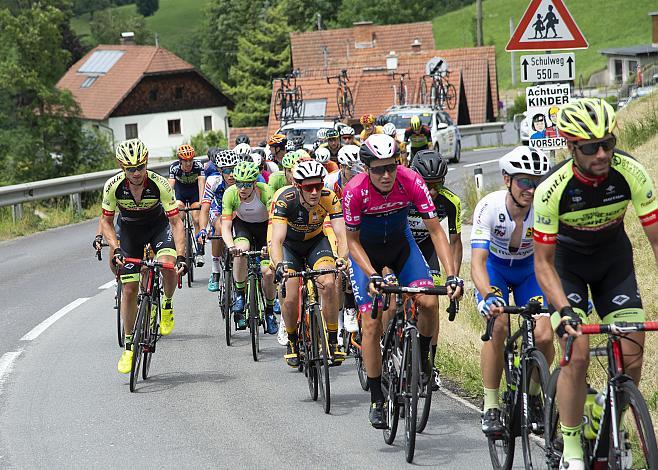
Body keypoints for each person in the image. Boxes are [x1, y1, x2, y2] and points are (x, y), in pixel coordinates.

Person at [533, 98, 658, 470]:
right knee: (578, 350)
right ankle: (571, 447)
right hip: (565, 269)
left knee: (633, 350)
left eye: (608, 143)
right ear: (571, 148)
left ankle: (610, 420)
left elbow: (655, 241)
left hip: (612, 263)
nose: (602, 153)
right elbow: (542, 263)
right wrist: (564, 310)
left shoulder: (631, 173)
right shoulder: (552, 188)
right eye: (591, 147)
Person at [342, 134, 463, 428]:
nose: (386, 175)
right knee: (370, 323)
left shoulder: (410, 181)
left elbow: (437, 232)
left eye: (391, 167)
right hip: (366, 254)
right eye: (379, 169)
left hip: (401, 248)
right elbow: (352, 243)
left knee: (430, 302)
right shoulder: (354, 191)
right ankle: (376, 399)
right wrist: (371, 274)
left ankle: (421, 359)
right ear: (366, 168)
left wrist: (451, 275)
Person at [470, 146, 555, 435]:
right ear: (507, 179)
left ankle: (532, 393)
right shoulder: (489, 207)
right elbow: (478, 263)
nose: (531, 189)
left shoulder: (545, 208)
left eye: (536, 181)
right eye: (524, 181)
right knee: (499, 326)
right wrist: (488, 295)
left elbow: (560, 256)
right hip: (496, 270)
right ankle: (491, 405)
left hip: (530, 271)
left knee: (544, 334)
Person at [100, 139, 187, 373]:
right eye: (131, 169)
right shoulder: (113, 186)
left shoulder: (159, 184)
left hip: (158, 227)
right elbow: (106, 222)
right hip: (129, 232)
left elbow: (176, 222)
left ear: (146, 163)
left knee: (168, 265)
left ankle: (167, 304)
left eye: (140, 167)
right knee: (129, 289)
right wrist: (115, 247)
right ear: (122, 167)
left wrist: (181, 255)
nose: (136, 173)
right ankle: (129, 347)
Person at [269, 160, 349, 366]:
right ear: (297, 186)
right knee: (290, 294)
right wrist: (279, 265)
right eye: (308, 187)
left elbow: (342, 235)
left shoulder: (329, 197)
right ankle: (293, 339)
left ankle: (332, 339)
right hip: (290, 246)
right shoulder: (285, 199)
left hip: (316, 242)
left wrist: (342, 258)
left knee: (329, 283)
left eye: (318, 186)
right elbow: (276, 240)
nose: (314, 192)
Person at [409, 149, 463, 392]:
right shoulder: (403, 196)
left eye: (437, 185)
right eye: (426, 185)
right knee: (393, 297)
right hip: (404, 245)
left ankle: (429, 362)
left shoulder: (450, 202)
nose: (431, 191)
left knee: (432, 303)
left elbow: (455, 243)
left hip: (429, 246)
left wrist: (454, 278)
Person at [221, 161, 278, 334]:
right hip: (243, 226)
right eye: (239, 183)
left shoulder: (266, 192)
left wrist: (270, 245)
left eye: (247, 184)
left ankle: (269, 311)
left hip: (265, 228)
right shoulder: (230, 194)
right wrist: (231, 246)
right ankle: (239, 294)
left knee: (267, 272)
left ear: (254, 183)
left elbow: (274, 224)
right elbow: (225, 226)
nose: (242, 188)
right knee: (240, 251)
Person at [324, 145, 365, 336]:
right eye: (351, 167)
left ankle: (353, 304)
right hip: (334, 223)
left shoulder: (363, 179)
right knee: (340, 264)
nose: (355, 171)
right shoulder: (331, 181)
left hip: (356, 222)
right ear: (341, 167)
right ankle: (342, 316)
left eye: (358, 166)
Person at [197, 149, 239, 292]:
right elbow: (205, 209)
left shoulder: (242, 180)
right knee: (220, 228)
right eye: (227, 170)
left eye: (234, 169)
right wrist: (202, 229)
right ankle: (215, 270)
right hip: (218, 210)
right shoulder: (213, 181)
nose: (231, 174)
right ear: (220, 170)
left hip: (236, 211)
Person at [168, 144, 206, 266]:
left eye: (190, 160)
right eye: (185, 161)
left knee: (196, 218)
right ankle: (182, 249)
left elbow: (201, 183)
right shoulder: (174, 168)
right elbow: (170, 188)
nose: (188, 164)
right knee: (179, 216)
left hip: (194, 193)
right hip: (181, 193)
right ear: (180, 161)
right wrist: (170, 204)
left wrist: (201, 202)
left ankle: (199, 252)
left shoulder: (198, 165)